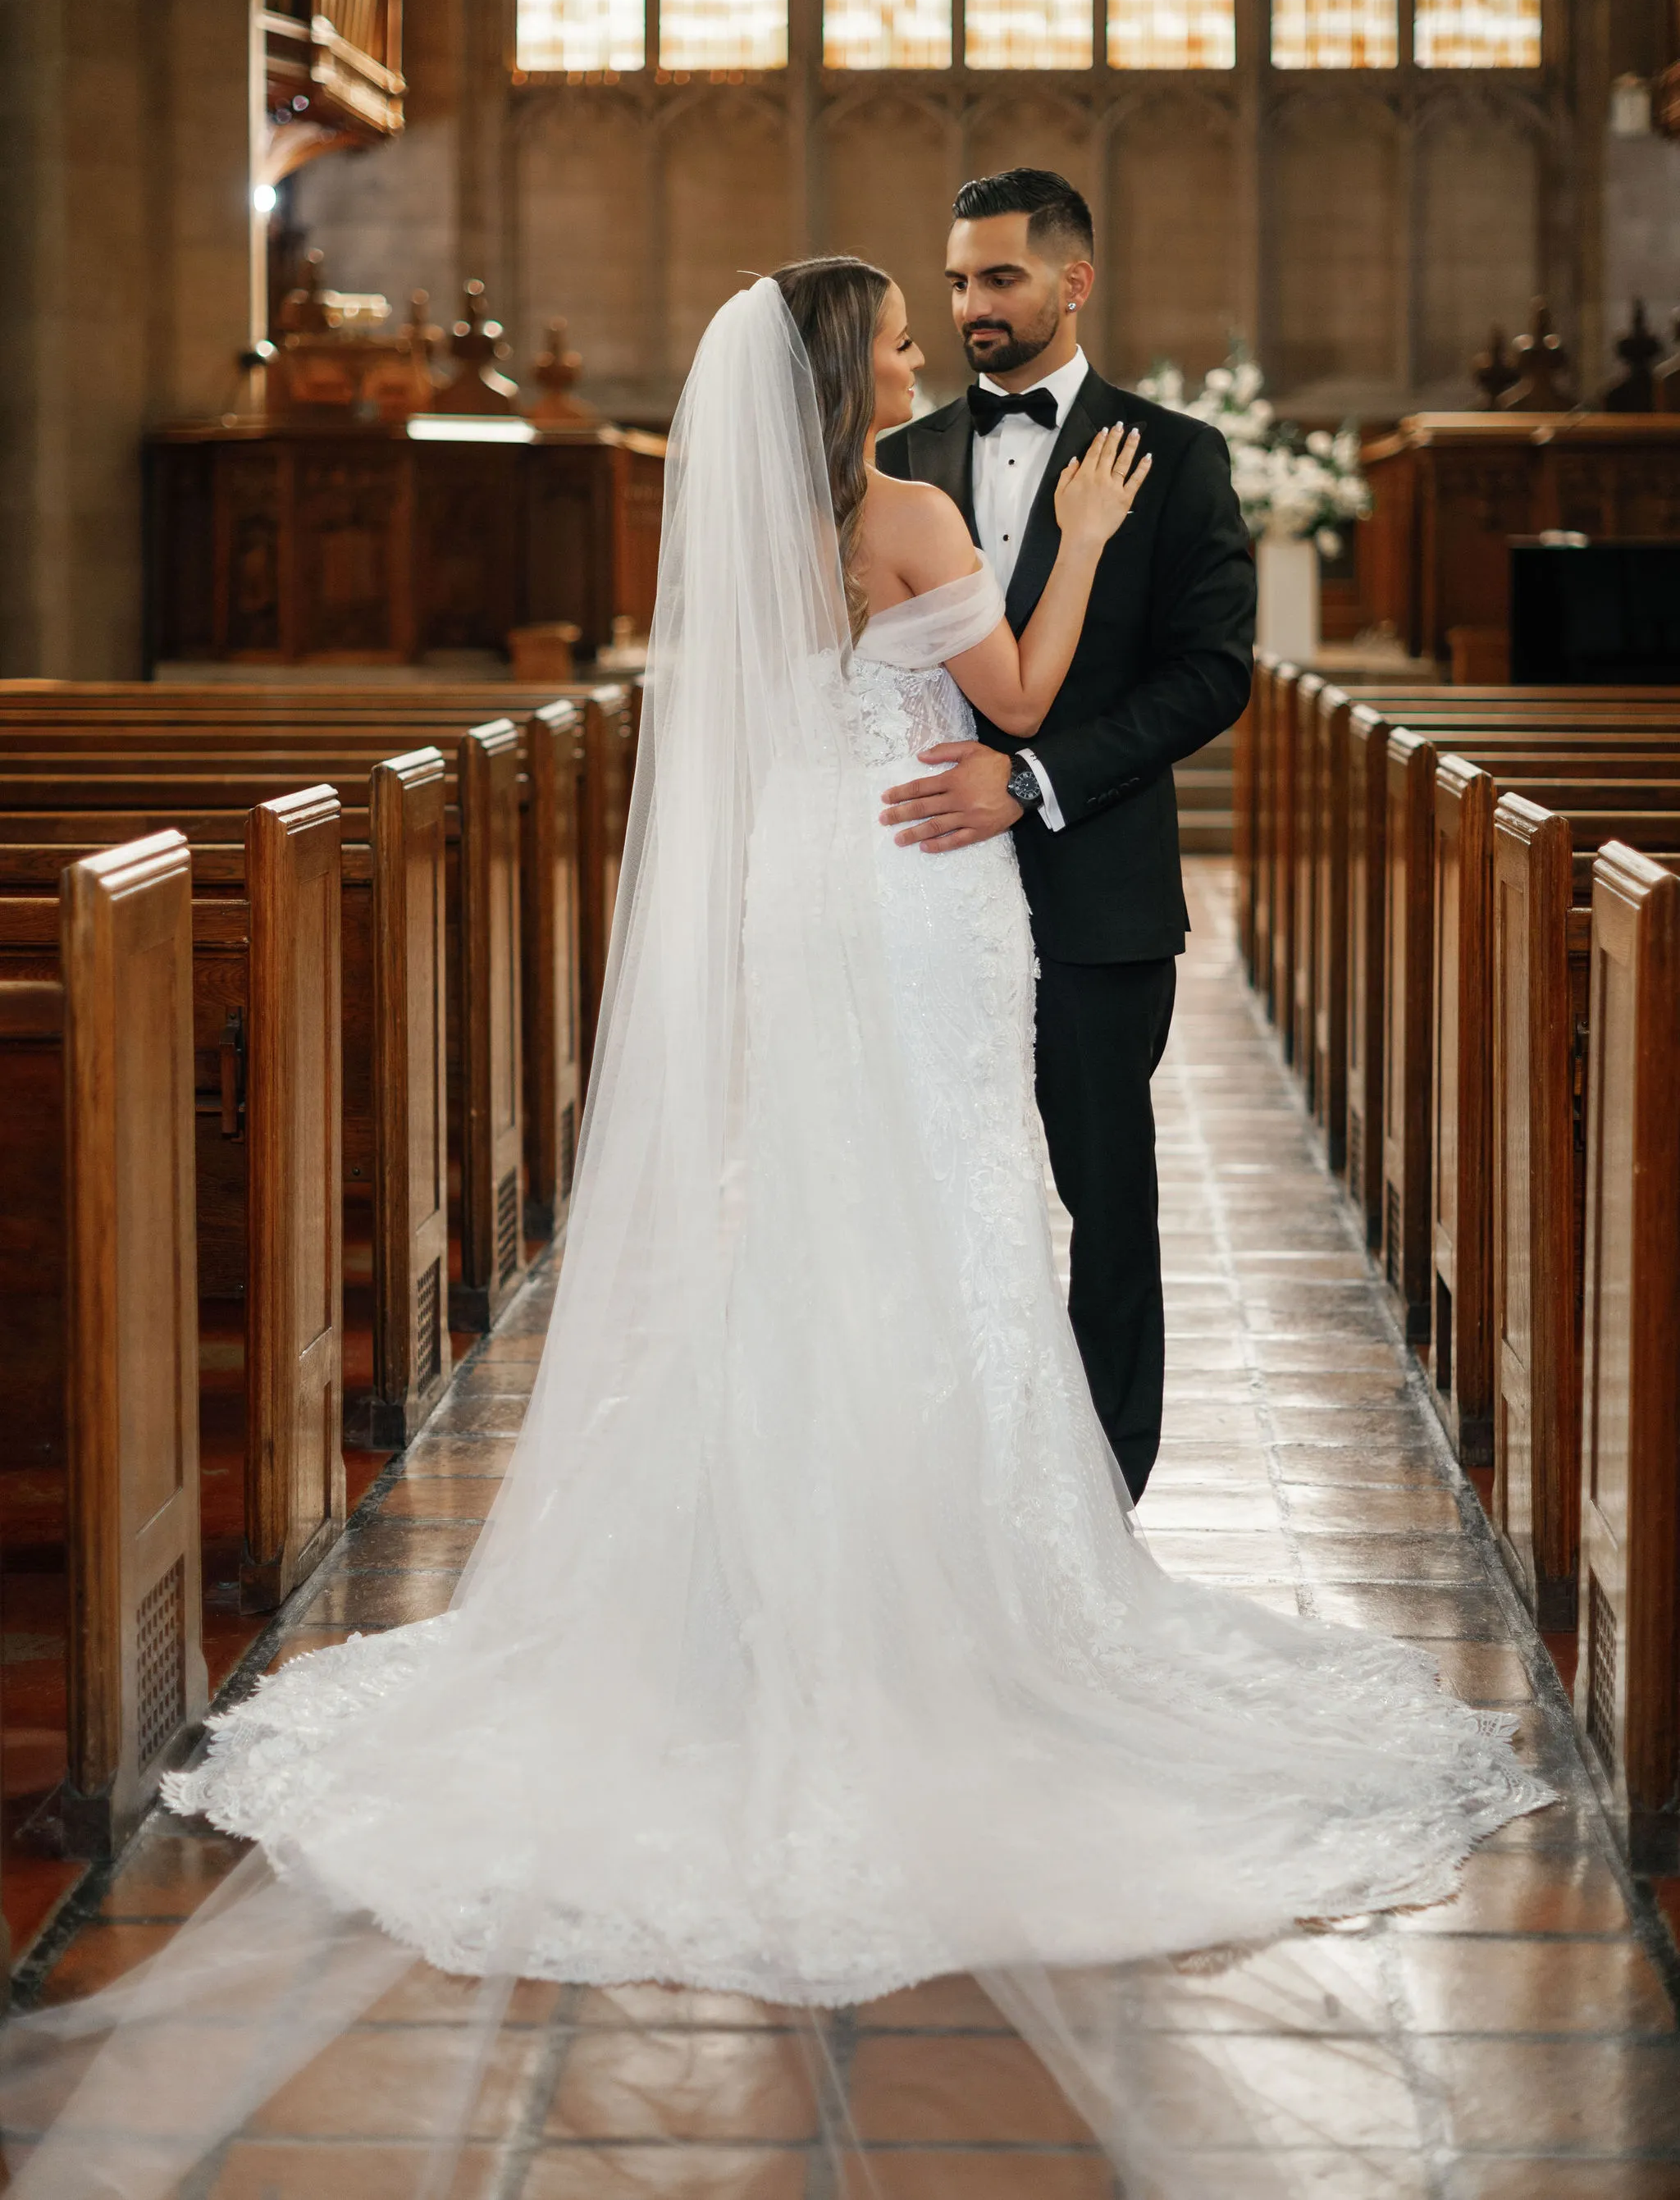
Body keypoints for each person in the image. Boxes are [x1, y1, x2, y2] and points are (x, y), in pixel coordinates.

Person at [2, 266, 1545, 2200]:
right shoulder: (906, 511)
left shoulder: (767, 526)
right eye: (896, 329)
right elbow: (1031, 702)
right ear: (848, 369)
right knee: (952, 1221)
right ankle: (936, 1583)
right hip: (922, 893)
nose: (917, 343)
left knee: (821, 1212)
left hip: (816, 882)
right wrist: (1064, 540)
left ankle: (763, 1577)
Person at [874, 166, 1256, 1501]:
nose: (972, 305)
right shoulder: (897, 460)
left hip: (1097, 883)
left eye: (1001, 278)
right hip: (924, 885)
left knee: (1106, 1191)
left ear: (1073, 279)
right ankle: (947, 1474)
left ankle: (1105, 1493)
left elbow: (1211, 674)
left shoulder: (1174, 452)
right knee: (933, 1190)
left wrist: (1033, 779)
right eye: (959, 281)